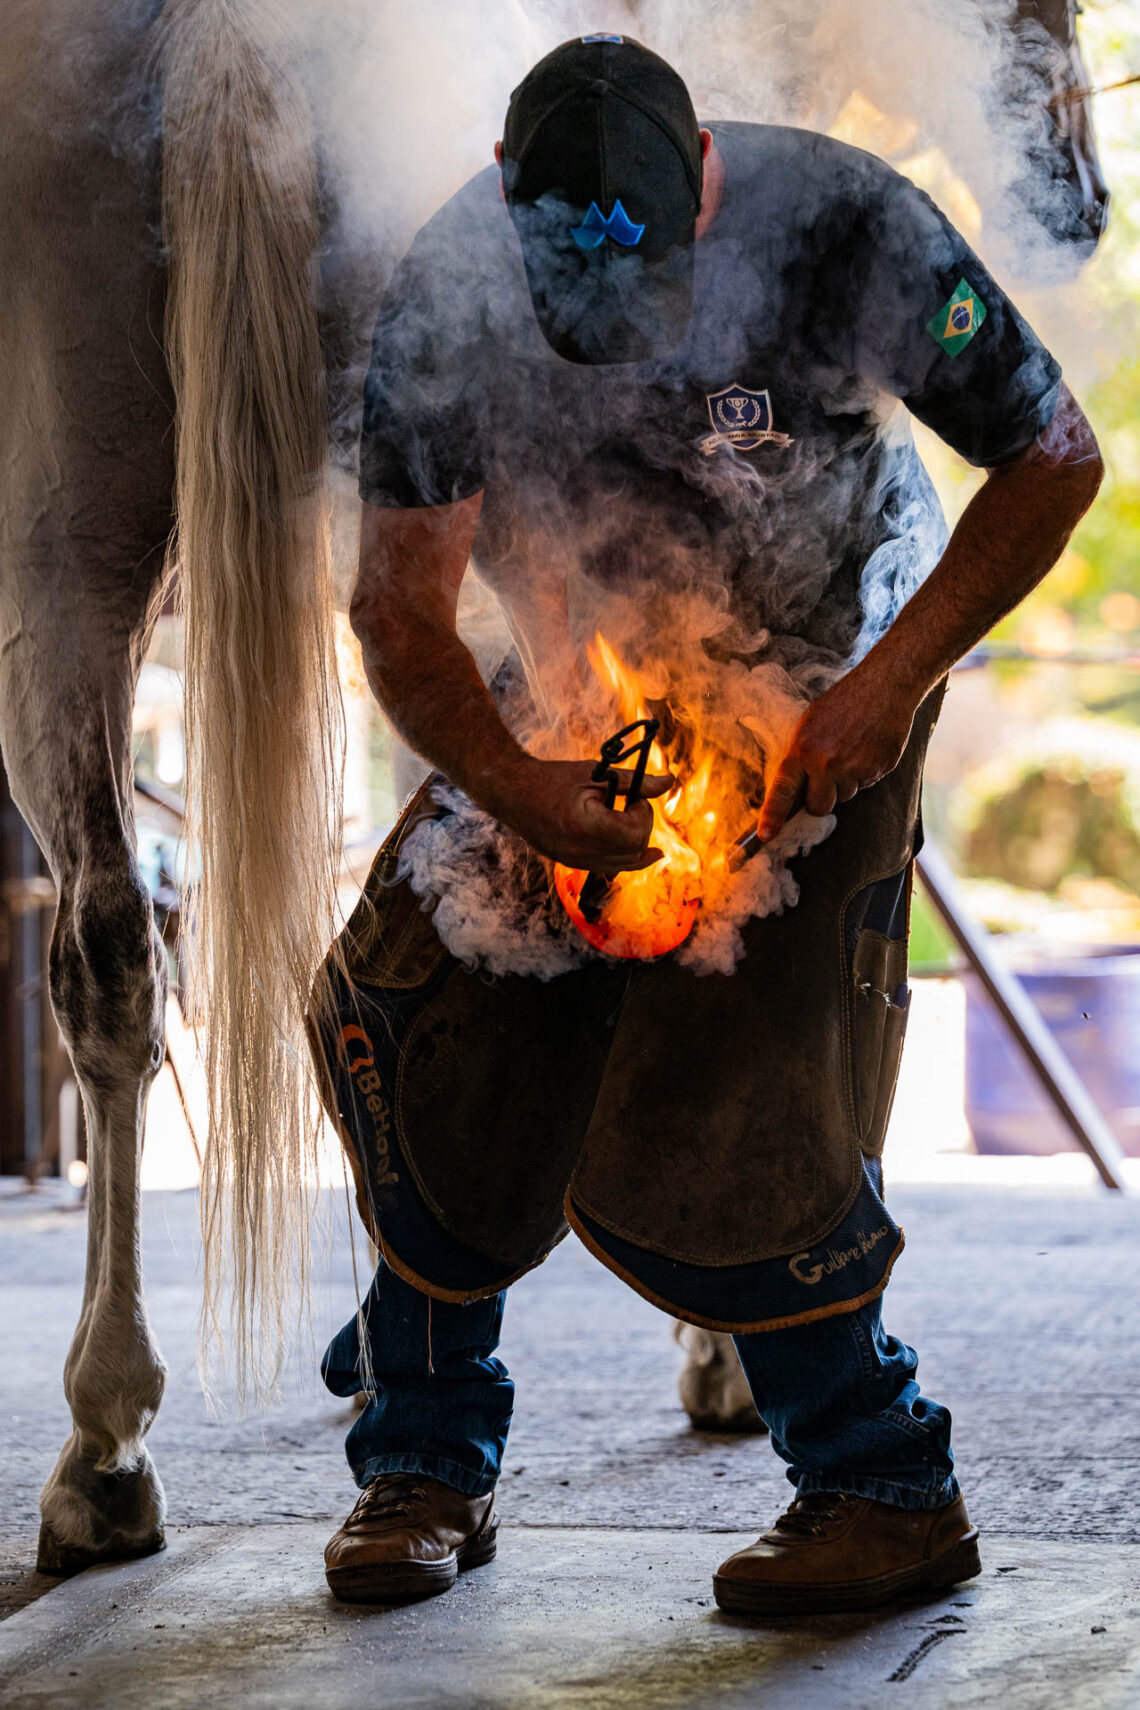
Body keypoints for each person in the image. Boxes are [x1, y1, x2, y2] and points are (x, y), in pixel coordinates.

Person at [314, 35, 1101, 1615]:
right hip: (572, 677)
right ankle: (424, 1456)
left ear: (710, 189)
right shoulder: (447, 290)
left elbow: (1053, 459)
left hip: (824, 666)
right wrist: (532, 791)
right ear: (503, 197)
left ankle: (883, 1481)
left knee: (735, 1045)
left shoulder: (849, 228)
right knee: (429, 989)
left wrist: (886, 687)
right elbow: (399, 611)